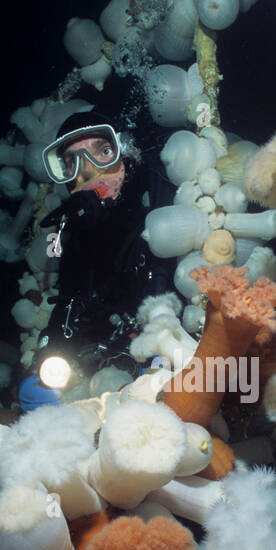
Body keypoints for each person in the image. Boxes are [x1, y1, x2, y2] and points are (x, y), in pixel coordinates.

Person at [37, 107, 174, 380]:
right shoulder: (75, 233)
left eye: (103, 152)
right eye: (71, 162)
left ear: (124, 155)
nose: (87, 171)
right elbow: (69, 304)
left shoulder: (161, 199)